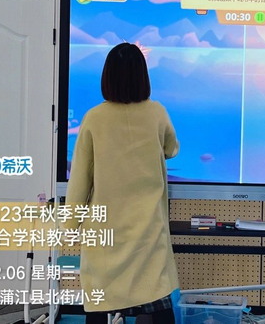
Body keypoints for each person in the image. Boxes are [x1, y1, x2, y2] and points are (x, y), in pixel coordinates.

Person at [65, 42, 180, 324]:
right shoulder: (157, 113)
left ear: (107, 77)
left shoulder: (94, 118)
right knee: (157, 300)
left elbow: (80, 179)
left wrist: (70, 226)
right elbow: (171, 149)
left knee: (100, 304)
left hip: (106, 231)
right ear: (143, 76)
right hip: (148, 229)